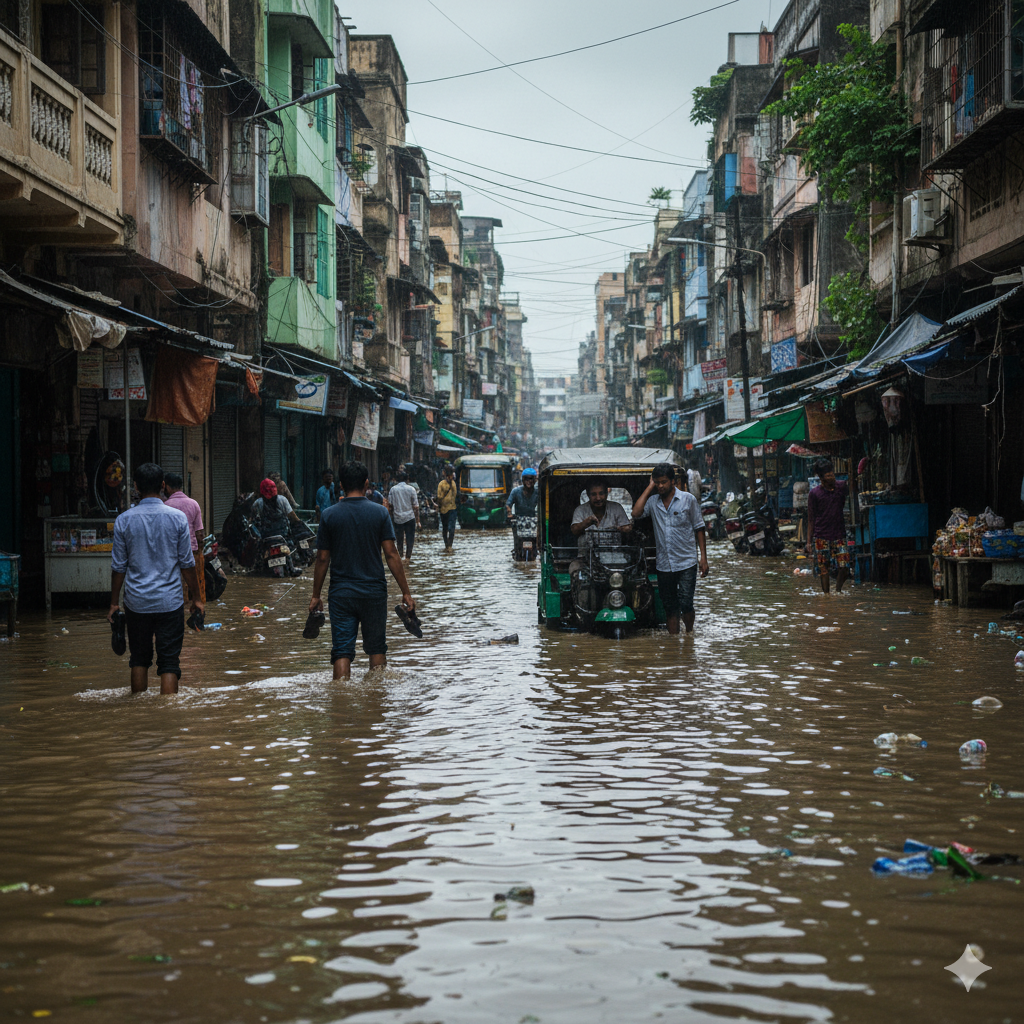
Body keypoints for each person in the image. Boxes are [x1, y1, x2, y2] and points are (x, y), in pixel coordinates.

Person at [309, 460, 415, 680]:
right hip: (374, 593)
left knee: (341, 651)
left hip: (341, 594)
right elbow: (392, 554)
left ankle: (340, 703)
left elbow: (322, 558)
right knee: (377, 648)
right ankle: (375, 704)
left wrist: (316, 595)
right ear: (367, 484)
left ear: (341, 485)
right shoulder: (380, 513)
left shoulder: (329, 515)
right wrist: (406, 591)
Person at [108, 462, 203, 694]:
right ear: (162, 486)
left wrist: (113, 603)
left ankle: (139, 713)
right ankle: (167, 718)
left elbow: (119, 567)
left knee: (138, 659)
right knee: (169, 662)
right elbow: (187, 564)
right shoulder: (178, 518)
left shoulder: (124, 520)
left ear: (136, 486)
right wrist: (197, 598)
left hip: (136, 602)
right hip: (169, 602)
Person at [632, 463, 709, 635]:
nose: (660, 486)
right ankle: (674, 643)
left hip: (687, 562)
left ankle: (689, 634)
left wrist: (703, 558)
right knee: (670, 607)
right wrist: (649, 486)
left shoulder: (688, 500)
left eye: (663, 482)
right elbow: (636, 513)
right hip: (664, 564)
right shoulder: (653, 502)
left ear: (673, 481)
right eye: (657, 482)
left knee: (686, 603)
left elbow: (699, 528)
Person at [805, 457, 850, 594]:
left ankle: (838, 590)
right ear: (821, 477)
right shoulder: (814, 494)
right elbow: (811, 519)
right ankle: (826, 596)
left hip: (839, 534)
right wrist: (808, 543)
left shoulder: (841, 487)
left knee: (844, 566)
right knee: (824, 569)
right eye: (828, 475)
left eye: (832, 474)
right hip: (821, 536)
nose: (832, 477)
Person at [569, 479, 632, 574]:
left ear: (607, 493)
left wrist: (624, 529)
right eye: (594, 494)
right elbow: (574, 530)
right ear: (588, 495)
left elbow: (627, 528)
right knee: (574, 568)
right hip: (586, 558)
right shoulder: (580, 510)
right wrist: (587, 522)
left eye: (601, 493)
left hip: (614, 557)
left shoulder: (616, 508)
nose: (598, 498)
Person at [162, 471, 205, 602]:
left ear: (167, 487)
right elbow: (200, 534)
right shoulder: (194, 504)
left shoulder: (165, 506)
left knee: (177, 588)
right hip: (192, 551)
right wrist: (199, 554)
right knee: (194, 586)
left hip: (171, 554)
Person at [388, 470, 420, 561]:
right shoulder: (411, 489)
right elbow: (416, 507)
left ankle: (400, 557)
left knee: (399, 539)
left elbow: (390, 505)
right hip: (410, 517)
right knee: (410, 539)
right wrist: (418, 521)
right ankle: (408, 558)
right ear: (407, 479)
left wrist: (391, 517)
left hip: (397, 518)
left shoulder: (393, 489)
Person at [436, 464, 459, 551]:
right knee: (445, 528)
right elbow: (439, 496)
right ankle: (446, 545)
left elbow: (455, 495)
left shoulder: (453, 483)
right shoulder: (441, 484)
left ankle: (450, 546)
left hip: (452, 508)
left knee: (451, 528)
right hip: (443, 509)